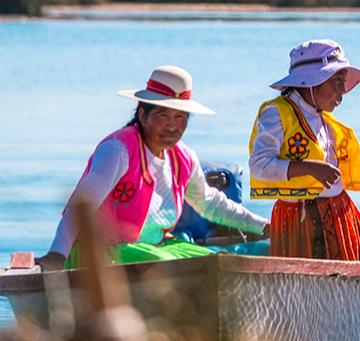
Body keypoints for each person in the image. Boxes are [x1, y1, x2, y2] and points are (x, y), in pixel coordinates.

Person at [37, 65, 268, 271]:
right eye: (162, 115)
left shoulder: (183, 157)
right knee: (178, 264)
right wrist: (57, 255)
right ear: (142, 115)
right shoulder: (118, 151)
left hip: (156, 250)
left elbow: (210, 204)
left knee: (219, 259)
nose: (172, 125)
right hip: (104, 254)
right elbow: (81, 206)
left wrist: (265, 226)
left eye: (180, 117)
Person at [248, 40, 360, 262]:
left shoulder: (326, 122)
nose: (342, 92)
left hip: (339, 214)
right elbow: (259, 166)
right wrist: (309, 168)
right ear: (310, 81)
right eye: (336, 81)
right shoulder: (276, 114)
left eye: (343, 82)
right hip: (298, 222)